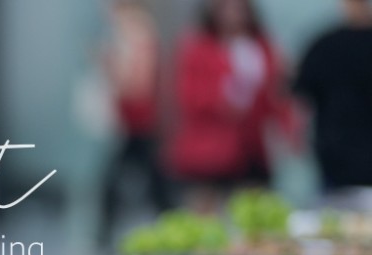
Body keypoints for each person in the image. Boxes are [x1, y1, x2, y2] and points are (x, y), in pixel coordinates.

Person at [166, 0, 297, 213]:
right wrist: (222, 101)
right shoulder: (199, 46)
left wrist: (287, 126)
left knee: (254, 210)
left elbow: (274, 94)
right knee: (205, 211)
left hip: (251, 144)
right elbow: (188, 95)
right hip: (210, 146)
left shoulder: (261, 46)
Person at [99, 0, 171, 241]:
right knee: (153, 178)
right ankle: (168, 223)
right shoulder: (136, 29)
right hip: (136, 119)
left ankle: (105, 231)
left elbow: (138, 83)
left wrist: (111, 68)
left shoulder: (136, 30)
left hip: (140, 119)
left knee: (131, 175)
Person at [294, 0, 372, 193]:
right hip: (337, 158)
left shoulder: (323, 43)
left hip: (337, 154)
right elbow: (300, 99)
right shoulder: (325, 45)